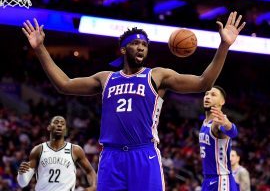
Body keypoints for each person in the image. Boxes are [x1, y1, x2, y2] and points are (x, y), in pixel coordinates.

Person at [22, 11, 245, 191]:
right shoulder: (106, 78)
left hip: (144, 155)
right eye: (136, 43)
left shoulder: (157, 75)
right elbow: (65, 84)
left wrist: (224, 45)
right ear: (123, 48)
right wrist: (40, 48)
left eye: (145, 45)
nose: (141, 47)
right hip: (111, 157)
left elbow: (203, 82)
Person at [17, 115, 97, 191]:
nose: (59, 125)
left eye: (62, 124)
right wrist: (21, 175)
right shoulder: (38, 150)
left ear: (65, 130)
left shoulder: (75, 150)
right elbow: (23, 183)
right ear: (49, 127)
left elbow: (90, 171)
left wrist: (93, 186)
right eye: (56, 122)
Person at [199, 86, 239, 190]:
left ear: (222, 101)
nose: (207, 97)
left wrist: (227, 124)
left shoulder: (218, 122)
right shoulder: (205, 123)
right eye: (206, 94)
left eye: (213, 95)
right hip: (207, 180)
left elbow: (233, 132)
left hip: (221, 181)